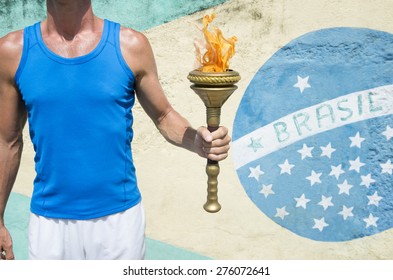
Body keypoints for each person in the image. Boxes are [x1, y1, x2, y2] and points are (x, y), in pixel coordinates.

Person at [0, 0, 231, 260]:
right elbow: (7, 142)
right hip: (49, 223)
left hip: (119, 222)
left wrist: (197, 142)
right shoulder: (12, 51)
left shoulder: (130, 45)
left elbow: (164, 115)